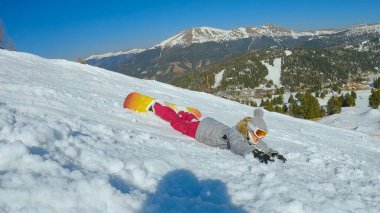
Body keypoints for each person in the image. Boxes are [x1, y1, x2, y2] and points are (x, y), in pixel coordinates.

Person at [150, 102, 286, 164]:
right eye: (259, 132)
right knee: (176, 122)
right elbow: (238, 145)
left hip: (208, 124)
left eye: (264, 134)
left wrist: (271, 152)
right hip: (199, 131)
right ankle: (156, 107)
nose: (260, 137)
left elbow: (260, 144)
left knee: (191, 120)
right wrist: (254, 153)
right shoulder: (235, 134)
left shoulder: (246, 133)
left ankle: (186, 114)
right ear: (250, 129)